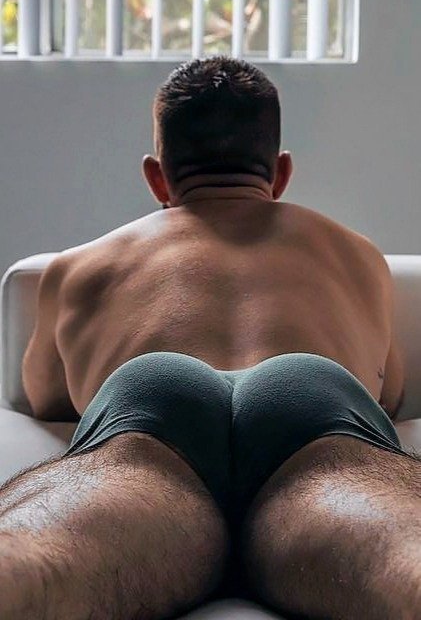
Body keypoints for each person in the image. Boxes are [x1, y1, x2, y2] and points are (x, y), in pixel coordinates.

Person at [1, 56, 419, 619]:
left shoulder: (78, 267)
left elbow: (47, 398)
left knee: (31, 566)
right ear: (281, 172)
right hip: (312, 396)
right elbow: (388, 395)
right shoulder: (358, 256)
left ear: (157, 177)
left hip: (152, 404)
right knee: (407, 564)